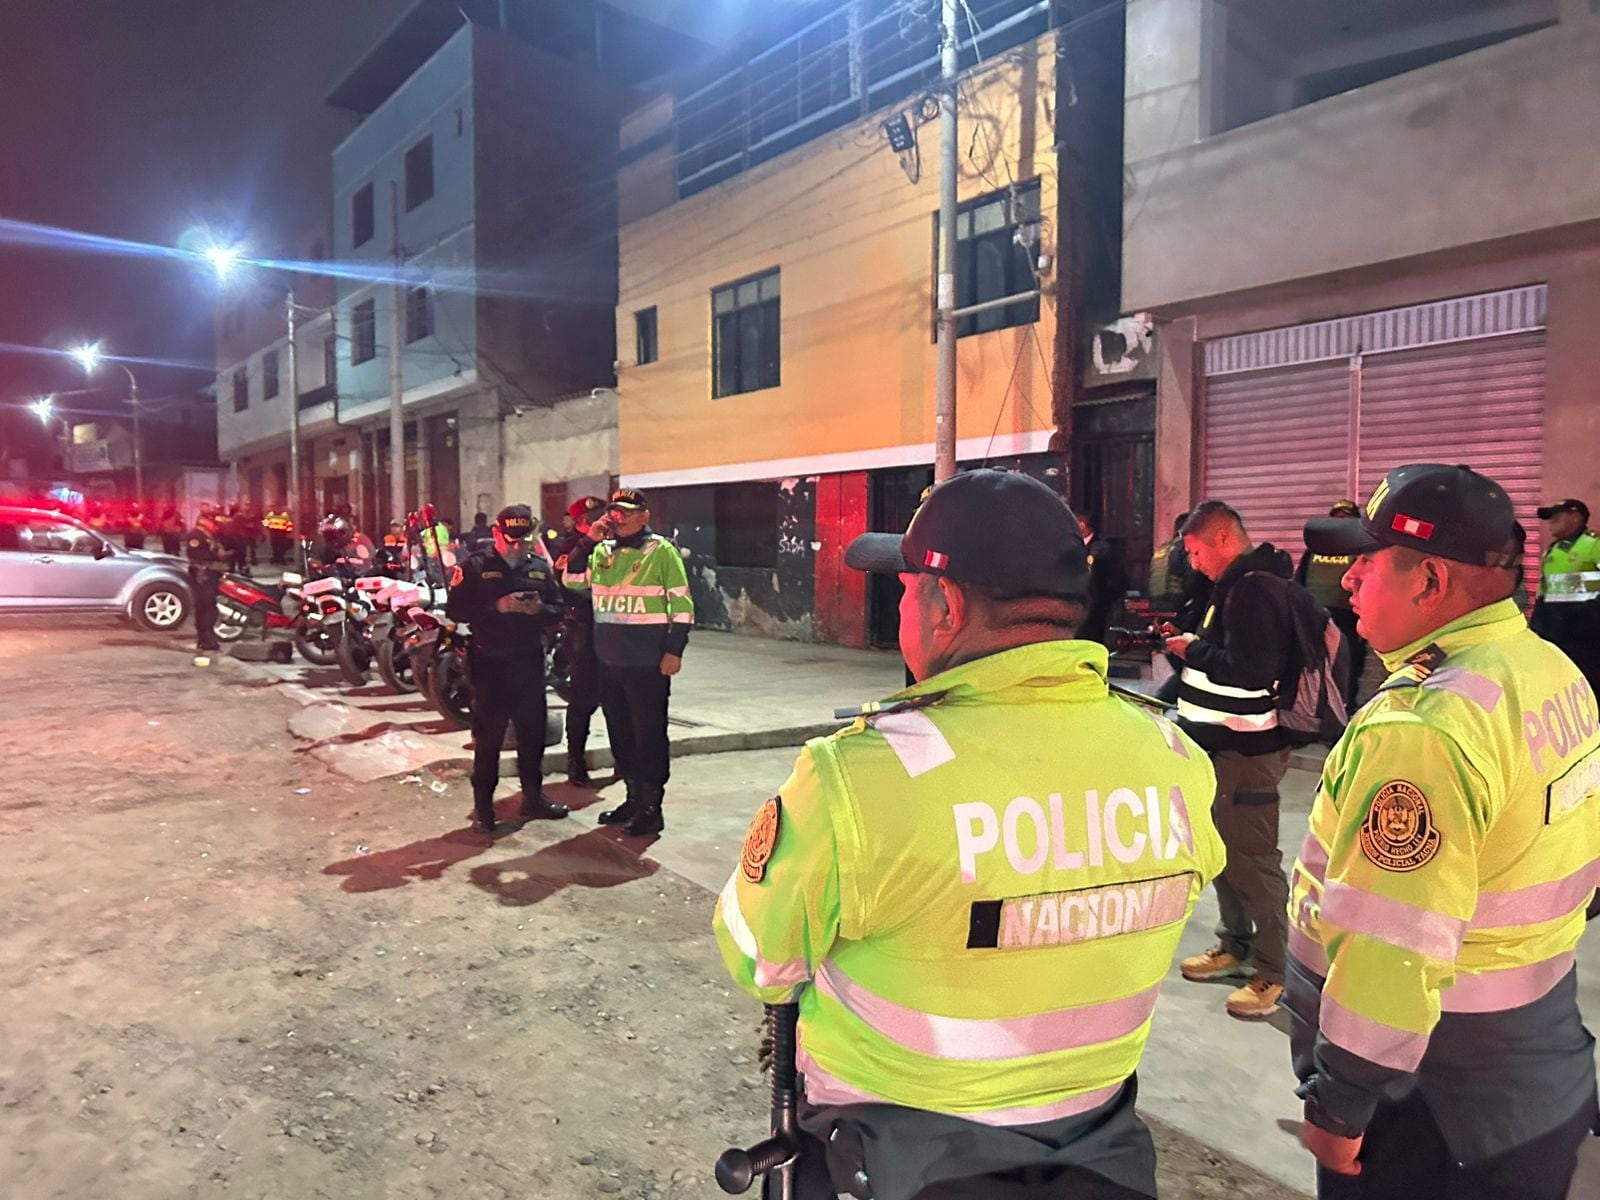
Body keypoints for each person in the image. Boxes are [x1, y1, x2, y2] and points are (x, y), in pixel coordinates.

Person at [713, 470, 1225, 1199]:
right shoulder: (1172, 758)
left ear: (945, 603)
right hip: (1101, 1156)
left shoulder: (860, 777)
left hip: (897, 1159)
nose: (900, 609)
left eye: (903, 590)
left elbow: (758, 955)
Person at [1285, 463, 1600, 1198]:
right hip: (1532, 1071)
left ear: (1428, 580)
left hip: (1432, 1107)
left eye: (1367, 561)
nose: (1349, 579)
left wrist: (1342, 1098)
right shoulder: (1547, 670)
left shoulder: (1428, 727)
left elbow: (1392, 946)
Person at [1164, 500, 1298, 1020]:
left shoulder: (1255, 590)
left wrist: (1190, 651)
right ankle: (1235, 945)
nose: (1192, 562)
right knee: (1221, 851)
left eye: (1196, 551)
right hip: (1218, 745)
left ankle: (1275, 969)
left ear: (1222, 538)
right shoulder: (1230, 588)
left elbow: (1250, 669)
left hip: (1248, 752)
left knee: (1252, 857)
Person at [562, 487, 693, 837]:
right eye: (614, 512)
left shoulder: (661, 551)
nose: (618, 518)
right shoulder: (602, 551)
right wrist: (587, 541)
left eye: (626, 512)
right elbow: (571, 581)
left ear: (645, 516)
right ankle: (633, 799)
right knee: (620, 734)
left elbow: (681, 606)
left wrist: (674, 650)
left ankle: (652, 807)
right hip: (609, 660)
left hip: (647, 663)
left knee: (649, 735)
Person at [445, 504, 570, 833]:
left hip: (528, 662)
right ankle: (484, 808)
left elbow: (558, 609)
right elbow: (455, 609)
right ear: (498, 533)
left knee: (533, 734)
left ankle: (533, 796)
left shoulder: (540, 568)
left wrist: (538, 610)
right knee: (489, 739)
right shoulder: (474, 566)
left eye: (524, 539)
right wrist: (495, 606)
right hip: (491, 665)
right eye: (512, 539)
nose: (518, 546)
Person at [551, 496, 608, 788]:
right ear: (580, 522)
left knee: (615, 699)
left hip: (613, 629)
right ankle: (576, 761)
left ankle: (625, 762)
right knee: (583, 699)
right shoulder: (571, 547)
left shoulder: (614, 542)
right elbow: (563, 580)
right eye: (592, 517)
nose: (601, 520)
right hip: (583, 628)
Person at [1297, 500, 1368, 708]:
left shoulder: (1361, 550)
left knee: (1348, 669)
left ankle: (1344, 709)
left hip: (1347, 620)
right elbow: (1299, 581)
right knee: (1313, 669)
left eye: (1345, 519)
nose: (1340, 524)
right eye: (1337, 519)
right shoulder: (1315, 549)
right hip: (1315, 619)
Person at [1529, 496, 1600, 694]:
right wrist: (1537, 626)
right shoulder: (1551, 551)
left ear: (1575, 517)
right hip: (1557, 632)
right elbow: (1544, 592)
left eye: (1556, 517)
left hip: (1587, 632)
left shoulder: (1594, 545)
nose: (1551, 523)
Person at [185, 506, 230, 667]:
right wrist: (216, 555)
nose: (215, 525)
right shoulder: (195, 536)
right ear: (204, 521)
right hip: (201, 575)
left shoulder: (210, 535)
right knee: (206, 608)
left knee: (209, 608)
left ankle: (205, 640)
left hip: (210, 575)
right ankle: (207, 640)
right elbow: (196, 555)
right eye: (213, 521)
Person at [1077, 513, 1125, 646]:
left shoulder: (1101, 547)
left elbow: (1115, 576)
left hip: (1096, 603)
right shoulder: (1074, 546)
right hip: (1078, 601)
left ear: (1082, 525)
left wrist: (1106, 599)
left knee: (1093, 639)